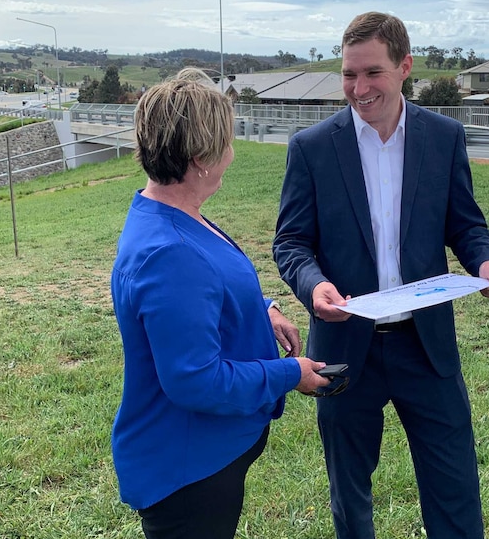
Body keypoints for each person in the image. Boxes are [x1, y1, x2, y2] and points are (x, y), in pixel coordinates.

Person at [273, 12, 489, 538]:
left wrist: (485, 261)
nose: (358, 89)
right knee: (350, 490)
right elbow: (290, 243)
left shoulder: (443, 137)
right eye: (349, 74)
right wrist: (313, 285)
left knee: (453, 483)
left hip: (425, 346)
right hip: (343, 345)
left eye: (373, 73)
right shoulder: (312, 148)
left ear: (405, 67)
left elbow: (466, 224)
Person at [109, 67, 330, 539]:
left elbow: (205, 286)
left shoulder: (174, 214)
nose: (232, 152)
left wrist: (262, 308)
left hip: (206, 457)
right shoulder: (169, 252)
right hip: (188, 472)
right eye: (227, 141)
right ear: (202, 158)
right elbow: (195, 381)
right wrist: (293, 373)